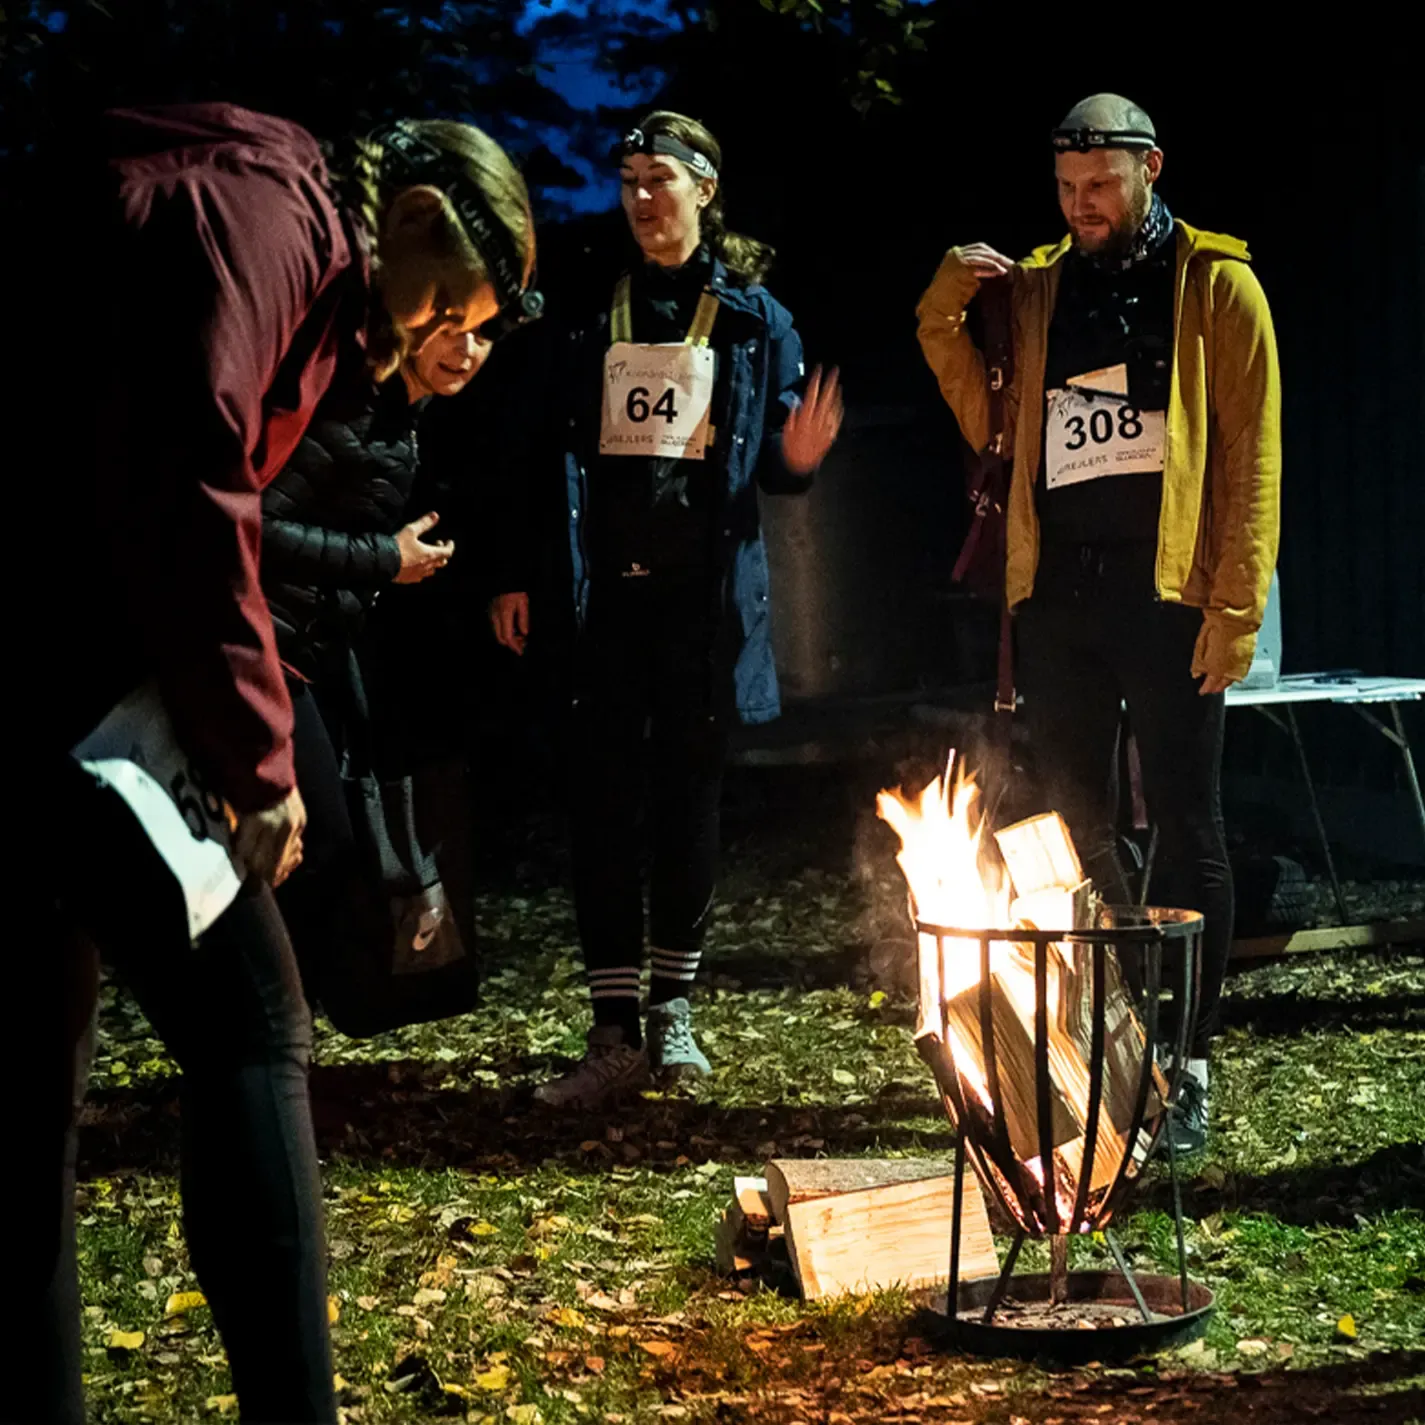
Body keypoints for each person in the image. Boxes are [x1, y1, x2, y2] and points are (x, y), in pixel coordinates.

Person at [16, 106, 536, 1424]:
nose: (438, 340)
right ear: (417, 221)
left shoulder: (299, 265)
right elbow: (197, 482)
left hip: (73, 663)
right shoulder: (259, 215)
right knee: (251, 1020)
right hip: (69, 675)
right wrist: (256, 760)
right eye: (447, 310)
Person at [916, 93, 1281, 1153]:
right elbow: (983, 410)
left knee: (1186, 818)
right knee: (1071, 824)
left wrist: (1236, 609)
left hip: (1173, 597)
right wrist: (945, 298)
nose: (1082, 205)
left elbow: (1254, 464)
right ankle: (1126, 1027)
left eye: (1102, 186)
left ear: (1151, 169)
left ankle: (1192, 1058)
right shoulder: (1037, 291)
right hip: (1061, 598)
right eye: (1068, 188)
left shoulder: (1218, 285)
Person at [490, 110, 843, 1110]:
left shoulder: (753, 319)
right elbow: (529, 454)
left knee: (690, 803)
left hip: (702, 612)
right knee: (600, 805)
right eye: (630, 180)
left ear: (705, 192)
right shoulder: (584, 311)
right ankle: (612, 1031)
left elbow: (774, 461)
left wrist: (802, 461)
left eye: (663, 180)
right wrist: (515, 574)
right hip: (600, 603)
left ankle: (674, 1012)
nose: (643, 198)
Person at [262, 320, 493, 1020]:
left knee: (322, 849)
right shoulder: (355, 409)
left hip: (314, 652)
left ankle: (291, 1032)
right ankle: (271, 1033)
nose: (468, 350)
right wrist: (383, 560)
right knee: (312, 845)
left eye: (484, 337)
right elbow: (255, 526)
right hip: (266, 648)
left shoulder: (409, 417)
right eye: (453, 331)